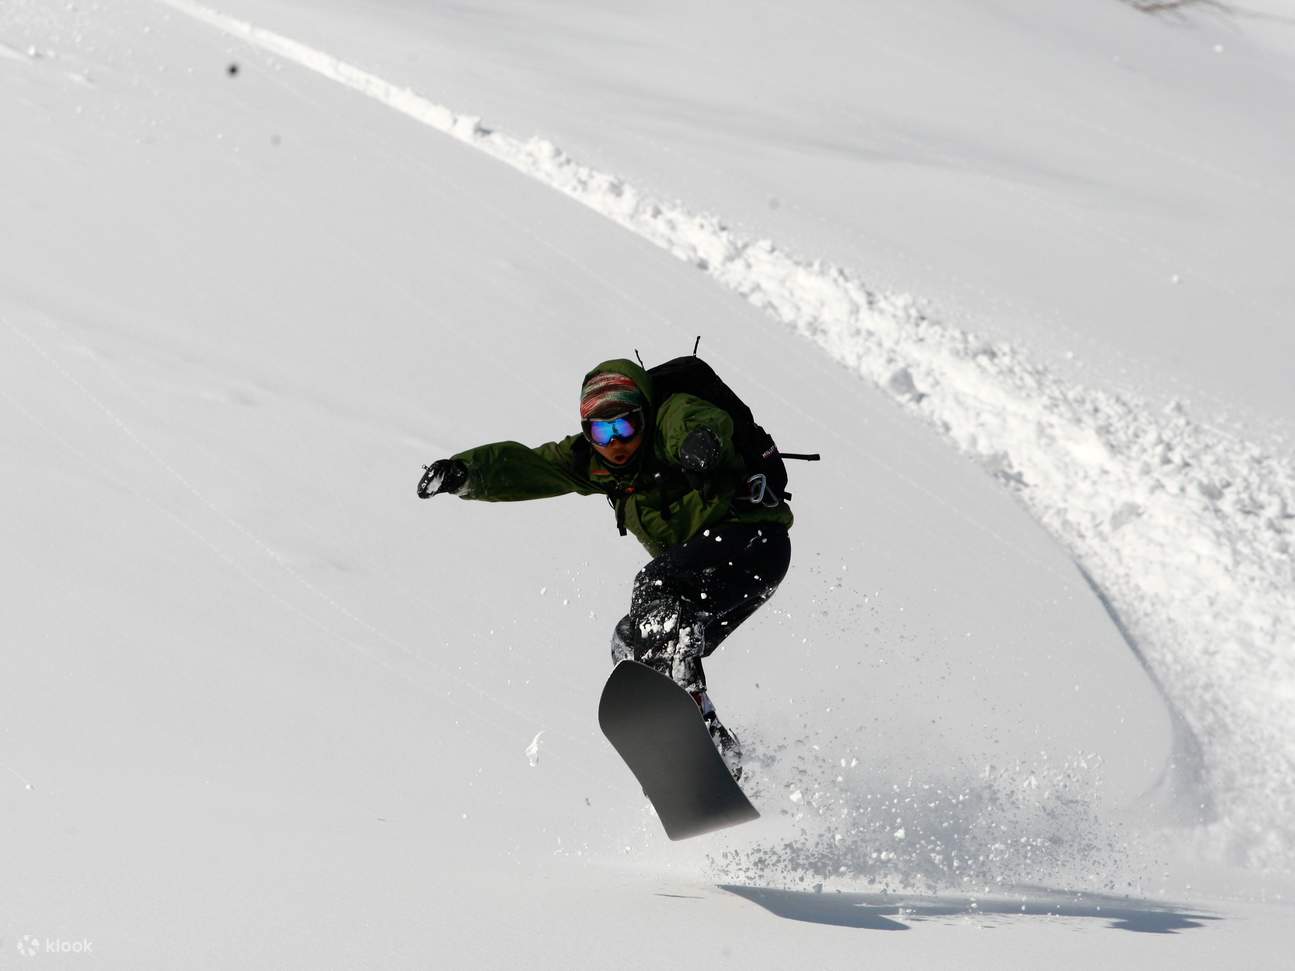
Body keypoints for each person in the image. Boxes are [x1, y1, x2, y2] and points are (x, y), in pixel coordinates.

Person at [418, 358, 793, 779]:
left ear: (644, 418)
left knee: (655, 587)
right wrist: (464, 473)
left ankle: (684, 723)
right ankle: (714, 748)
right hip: (705, 568)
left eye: (625, 427)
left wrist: (700, 443)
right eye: (601, 432)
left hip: (752, 543)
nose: (615, 443)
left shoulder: (671, 419)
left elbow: (698, 421)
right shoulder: (595, 463)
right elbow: (530, 466)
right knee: (630, 642)